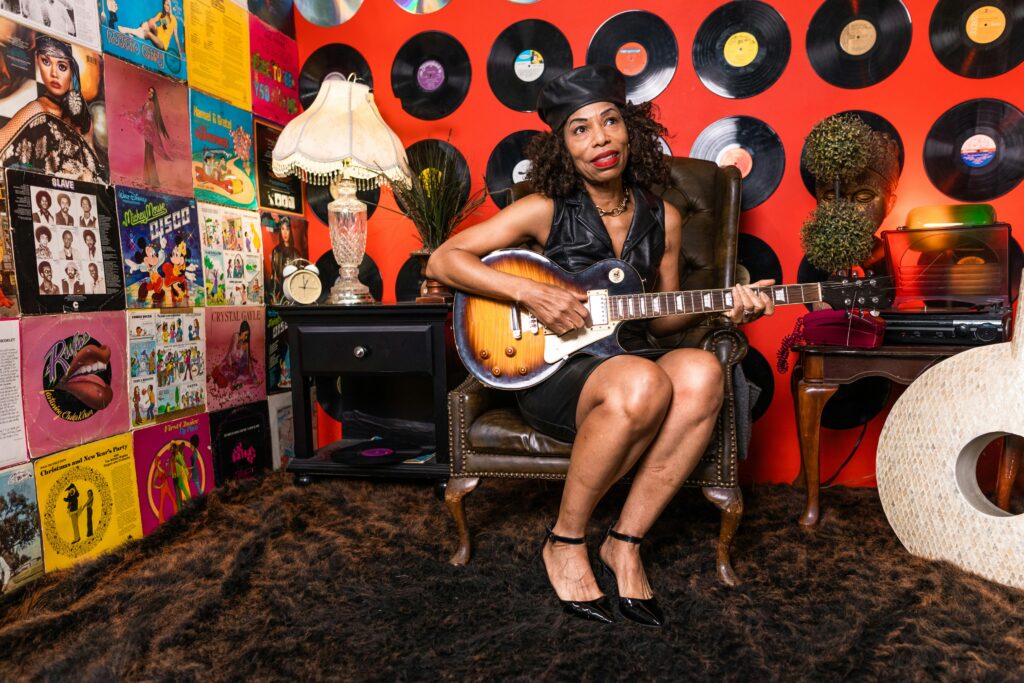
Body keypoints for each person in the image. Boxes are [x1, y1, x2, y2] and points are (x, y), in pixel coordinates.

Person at [426, 65, 775, 627]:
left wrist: (722, 305)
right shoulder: (544, 208)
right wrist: (530, 294)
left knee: (705, 372)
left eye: (610, 122)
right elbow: (445, 259)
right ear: (564, 147)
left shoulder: (665, 215)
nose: (601, 139)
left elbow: (660, 325)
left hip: (631, 356)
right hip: (555, 370)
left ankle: (625, 542)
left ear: (630, 129)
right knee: (641, 380)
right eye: (581, 129)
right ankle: (565, 541)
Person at [0, 35, 99, 179]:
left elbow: (95, 168)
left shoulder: (83, 117)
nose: (53, 74)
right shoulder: (37, 109)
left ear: (72, 71)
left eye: (61, 66)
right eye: (46, 62)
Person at [125, 86, 172, 187]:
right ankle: (147, 179)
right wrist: (129, 113)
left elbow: (150, 120)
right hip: (146, 132)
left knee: (149, 155)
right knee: (147, 154)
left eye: (152, 92)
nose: (150, 94)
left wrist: (148, 129)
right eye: (149, 92)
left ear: (154, 95)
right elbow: (139, 113)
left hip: (150, 133)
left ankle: (154, 182)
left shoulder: (152, 105)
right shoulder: (146, 104)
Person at [270, 216, 301, 302]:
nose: (285, 233)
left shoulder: (296, 253)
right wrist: (274, 296)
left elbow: (298, 277)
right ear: (280, 231)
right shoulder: (276, 251)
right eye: (282, 229)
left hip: (293, 293)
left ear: (290, 231)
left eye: (287, 229)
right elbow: (274, 276)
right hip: (280, 294)